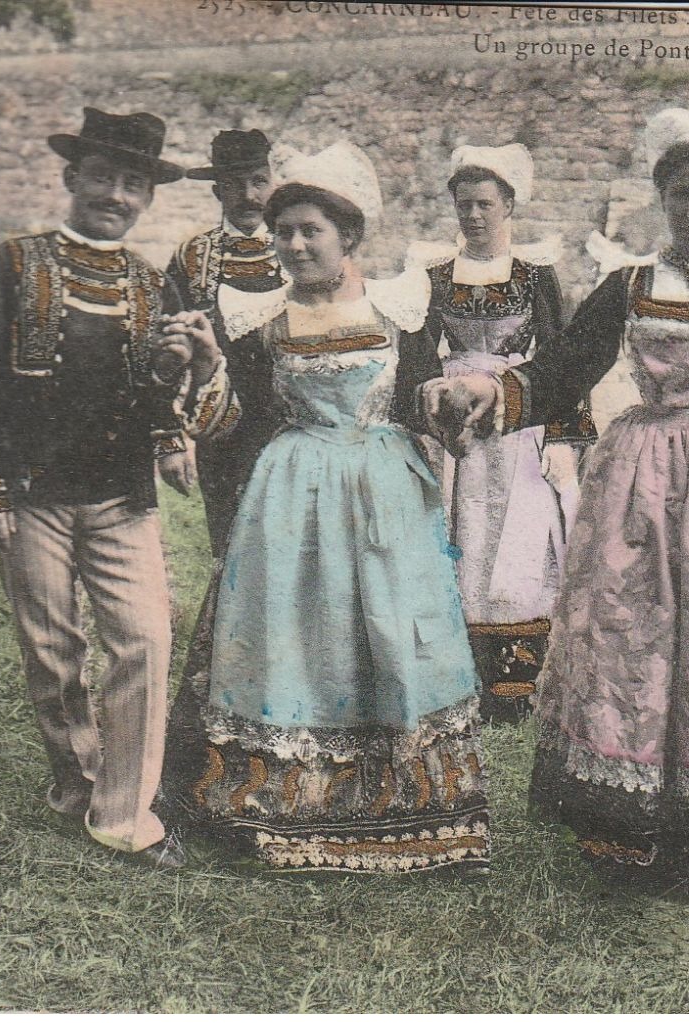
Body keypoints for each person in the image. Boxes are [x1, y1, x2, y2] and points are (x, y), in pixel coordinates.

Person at [425, 110, 689, 914]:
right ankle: (630, 836)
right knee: (633, 638)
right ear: (660, 198)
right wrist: (490, 388)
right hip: (639, 476)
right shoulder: (629, 285)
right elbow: (563, 368)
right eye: (681, 195)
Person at [160, 142, 490, 874]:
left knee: (388, 631)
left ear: (349, 237)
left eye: (312, 230)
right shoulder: (256, 317)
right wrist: (208, 373)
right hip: (291, 491)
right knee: (290, 634)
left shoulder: (397, 308)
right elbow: (231, 421)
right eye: (284, 232)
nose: (296, 244)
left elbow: (421, 398)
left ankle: (410, 810)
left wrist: (445, 407)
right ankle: (277, 803)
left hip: (383, 491)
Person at [0, 108, 207, 868]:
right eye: (102, 177)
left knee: (146, 639)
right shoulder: (11, 264)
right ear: (71, 178)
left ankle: (124, 813)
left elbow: (157, 391)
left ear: (148, 199)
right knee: (53, 650)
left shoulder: (153, 284)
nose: (115, 195)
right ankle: (78, 779)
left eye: (132, 184)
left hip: (121, 496)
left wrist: (170, 403)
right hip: (30, 493)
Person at [409, 144, 589, 722]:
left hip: (516, 420)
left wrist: (562, 440)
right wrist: (427, 417)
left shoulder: (536, 276)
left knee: (518, 537)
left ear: (509, 205)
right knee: (461, 531)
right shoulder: (436, 278)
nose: (474, 217)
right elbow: (417, 354)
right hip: (455, 423)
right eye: (464, 205)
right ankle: (457, 673)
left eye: (486, 204)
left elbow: (561, 360)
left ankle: (518, 680)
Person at [165, 129, 286, 552]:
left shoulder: (296, 246)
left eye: (257, 182)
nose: (248, 195)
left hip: (291, 419)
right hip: (222, 423)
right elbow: (169, 350)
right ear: (218, 191)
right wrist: (171, 436)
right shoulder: (192, 256)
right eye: (234, 185)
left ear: (273, 183)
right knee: (233, 542)